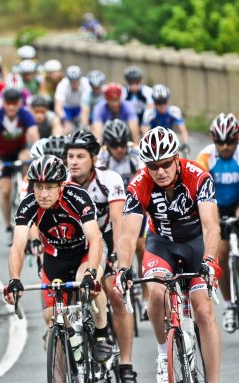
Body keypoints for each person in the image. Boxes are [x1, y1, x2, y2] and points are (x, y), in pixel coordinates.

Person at [114, 127, 222, 383]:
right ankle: (163, 353)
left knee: (204, 312)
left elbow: (211, 226)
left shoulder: (198, 176)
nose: (160, 171)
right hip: (161, 243)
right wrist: (123, 268)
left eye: (165, 164)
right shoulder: (139, 184)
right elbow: (128, 235)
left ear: (175, 159)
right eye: (153, 166)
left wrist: (208, 260)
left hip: (196, 242)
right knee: (157, 293)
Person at [3, 155, 113, 363]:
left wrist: (91, 272)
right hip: (55, 259)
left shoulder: (77, 197)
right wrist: (14, 279)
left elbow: (95, 238)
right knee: (52, 319)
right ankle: (71, 353)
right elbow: (18, 246)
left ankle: (102, 333)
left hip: (85, 253)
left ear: (61, 185)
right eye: (38, 187)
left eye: (49, 187)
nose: (43, 194)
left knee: (86, 284)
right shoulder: (28, 205)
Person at [64, 130, 137, 382]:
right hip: (75, 242)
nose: (73, 162)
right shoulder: (62, 182)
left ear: (93, 158)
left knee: (115, 293)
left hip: (104, 237)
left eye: (80, 156)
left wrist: (117, 256)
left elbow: (117, 220)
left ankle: (125, 364)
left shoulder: (109, 179)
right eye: (70, 156)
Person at [97, 119, 149, 315]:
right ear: (106, 145)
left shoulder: (136, 153)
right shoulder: (101, 158)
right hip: (114, 206)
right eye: (114, 145)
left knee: (141, 246)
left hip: (137, 204)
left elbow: (147, 181)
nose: (119, 149)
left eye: (122, 144)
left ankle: (145, 297)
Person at [196, 113, 239, 333]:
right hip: (216, 207)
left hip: (237, 203)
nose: (225, 147)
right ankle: (230, 304)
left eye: (229, 142)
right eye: (220, 142)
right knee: (221, 254)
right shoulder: (205, 157)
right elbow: (199, 189)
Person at [0, 87, 40, 245]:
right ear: (3, 103)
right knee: (5, 190)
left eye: (14, 103)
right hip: (2, 155)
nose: (11, 107)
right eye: (8, 103)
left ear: (19, 103)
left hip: (20, 151)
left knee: (26, 158)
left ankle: (25, 189)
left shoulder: (25, 115)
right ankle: (8, 227)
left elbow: (34, 135)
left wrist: (37, 152)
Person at [141, 84, 189, 150]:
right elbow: (145, 134)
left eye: (164, 102)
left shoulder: (174, 111)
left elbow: (183, 130)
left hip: (169, 140)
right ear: (154, 103)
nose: (162, 105)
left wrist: (185, 144)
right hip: (154, 141)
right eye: (158, 102)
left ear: (168, 101)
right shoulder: (149, 113)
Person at [54, 65, 91, 133]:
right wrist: (65, 120)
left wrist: (84, 123)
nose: (75, 84)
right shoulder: (62, 85)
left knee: (85, 125)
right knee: (62, 126)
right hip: (67, 108)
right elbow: (58, 107)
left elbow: (86, 105)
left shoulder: (86, 84)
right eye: (72, 81)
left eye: (77, 81)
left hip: (80, 107)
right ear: (68, 80)